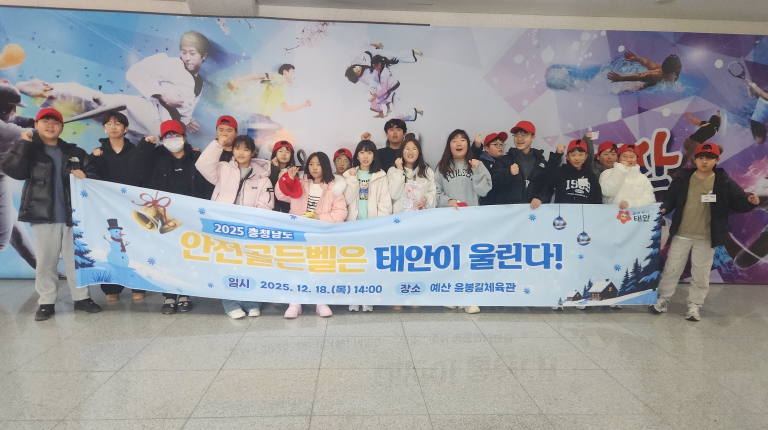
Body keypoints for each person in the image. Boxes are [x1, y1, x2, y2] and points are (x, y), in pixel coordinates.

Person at [1, 108, 102, 321]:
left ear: (62, 127)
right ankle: (46, 302)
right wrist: (23, 144)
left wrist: (86, 175)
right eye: (45, 121)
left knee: (76, 261)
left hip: (73, 216)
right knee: (46, 262)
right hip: (43, 216)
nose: (50, 125)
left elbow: (94, 175)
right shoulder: (30, 150)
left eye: (55, 122)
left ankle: (82, 298)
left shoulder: (75, 152)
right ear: (36, 125)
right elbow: (13, 170)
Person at [651, 143, 758, 321]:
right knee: (671, 269)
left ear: (717, 160)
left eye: (709, 158)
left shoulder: (724, 182)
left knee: (701, 273)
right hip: (682, 234)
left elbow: (738, 202)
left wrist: (750, 202)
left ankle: (694, 305)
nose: (704, 161)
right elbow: (670, 199)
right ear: (695, 159)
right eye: (701, 157)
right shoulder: (683, 178)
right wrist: (665, 208)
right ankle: (663, 299)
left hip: (707, 237)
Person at [196, 134, 274, 319]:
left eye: (246, 149)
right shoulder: (223, 168)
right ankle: (231, 304)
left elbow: (266, 205)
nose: (241, 152)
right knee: (227, 266)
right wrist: (218, 144)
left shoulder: (262, 178)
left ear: (253, 152)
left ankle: (252, 302)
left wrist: (250, 223)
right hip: (224, 227)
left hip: (248, 230)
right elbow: (202, 165)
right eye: (237, 148)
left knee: (251, 265)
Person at [139, 120, 213, 314]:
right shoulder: (155, 157)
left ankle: (185, 294)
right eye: (168, 136)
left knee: (188, 255)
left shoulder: (197, 158)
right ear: (162, 139)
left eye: (176, 135)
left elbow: (208, 185)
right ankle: (169, 296)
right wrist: (145, 146)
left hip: (191, 217)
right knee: (167, 256)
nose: (172, 139)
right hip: (164, 217)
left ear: (184, 137)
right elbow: (136, 169)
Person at [276, 152, 347, 318]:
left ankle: (321, 301)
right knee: (296, 267)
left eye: (318, 164)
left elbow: (341, 212)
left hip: (321, 235)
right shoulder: (301, 183)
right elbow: (280, 195)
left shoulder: (334, 187)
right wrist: (288, 178)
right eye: (311, 164)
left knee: (320, 268)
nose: (314, 168)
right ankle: (295, 302)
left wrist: (319, 218)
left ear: (325, 166)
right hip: (299, 233)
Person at [88, 111, 150, 301]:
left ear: (126, 128)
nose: (113, 127)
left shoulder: (137, 151)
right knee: (110, 246)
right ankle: (111, 287)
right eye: (108, 124)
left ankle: (138, 285)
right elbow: (90, 179)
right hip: (106, 210)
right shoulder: (97, 154)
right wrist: (92, 158)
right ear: (104, 128)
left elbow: (145, 177)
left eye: (117, 124)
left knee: (135, 245)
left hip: (133, 209)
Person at [435, 129, 492, 314]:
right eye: (454, 140)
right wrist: (448, 201)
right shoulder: (442, 167)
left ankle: (471, 298)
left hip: (472, 221)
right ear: (449, 145)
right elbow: (435, 193)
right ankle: (452, 295)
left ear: (468, 144)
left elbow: (484, 191)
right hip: (449, 221)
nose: (458, 143)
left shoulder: (477, 164)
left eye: (462, 140)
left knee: (470, 259)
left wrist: (477, 169)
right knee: (452, 259)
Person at [343, 140, 392, 312]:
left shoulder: (380, 176)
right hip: (352, 227)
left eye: (369, 152)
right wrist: (352, 180)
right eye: (362, 152)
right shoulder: (348, 175)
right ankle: (353, 297)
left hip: (372, 228)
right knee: (353, 264)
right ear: (357, 155)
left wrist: (378, 226)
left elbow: (385, 204)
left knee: (370, 264)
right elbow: (344, 201)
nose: (365, 156)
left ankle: (368, 298)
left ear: (374, 155)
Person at [227, 64, 311, 154]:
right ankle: (263, 142)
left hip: (263, 121)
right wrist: (238, 81)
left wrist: (303, 105)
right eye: (292, 72)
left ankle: (264, 141)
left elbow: (287, 108)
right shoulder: (280, 78)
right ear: (285, 72)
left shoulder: (280, 89)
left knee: (253, 151)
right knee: (251, 150)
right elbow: (260, 75)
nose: (294, 75)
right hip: (259, 119)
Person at [0, 81, 36, 270]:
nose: (15, 111)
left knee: (17, 233)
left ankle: (44, 269)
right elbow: (36, 135)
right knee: (1, 240)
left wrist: (33, 120)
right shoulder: (7, 131)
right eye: (13, 108)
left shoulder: (5, 124)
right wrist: (49, 125)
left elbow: (16, 120)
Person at [505, 121, 560, 208]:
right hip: (509, 212)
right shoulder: (504, 160)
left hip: (534, 212)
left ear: (533, 137)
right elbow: (494, 185)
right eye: (516, 135)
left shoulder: (542, 163)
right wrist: (508, 172)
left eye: (524, 135)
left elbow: (548, 186)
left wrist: (540, 198)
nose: (519, 138)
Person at [388, 134, 436, 213]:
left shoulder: (427, 172)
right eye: (407, 149)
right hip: (399, 217)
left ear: (419, 152)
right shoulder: (393, 171)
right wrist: (399, 170)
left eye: (414, 149)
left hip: (420, 216)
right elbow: (394, 195)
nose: (410, 152)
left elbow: (433, 194)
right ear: (402, 152)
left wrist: (426, 199)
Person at [471, 131, 520, 206]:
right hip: (486, 204)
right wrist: (476, 146)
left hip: (506, 204)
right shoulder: (481, 161)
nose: (500, 147)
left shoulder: (509, 161)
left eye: (501, 144)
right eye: (496, 144)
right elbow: (472, 156)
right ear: (486, 148)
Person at [545, 139, 601, 204]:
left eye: (580, 155)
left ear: (586, 156)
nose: (577, 158)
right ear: (567, 157)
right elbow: (548, 175)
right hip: (563, 210)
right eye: (573, 155)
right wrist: (557, 155)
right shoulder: (560, 172)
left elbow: (597, 199)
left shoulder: (591, 176)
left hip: (585, 210)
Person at [600, 144, 656, 208]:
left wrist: (631, 203)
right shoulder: (607, 173)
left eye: (632, 157)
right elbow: (607, 192)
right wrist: (620, 169)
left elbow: (650, 199)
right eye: (624, 156)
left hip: (634, 213)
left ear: (637, 159)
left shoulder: (643, 178)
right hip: (610, 213)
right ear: (618, 158)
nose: (628, 160)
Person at [607, 51, 682, 89]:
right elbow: (640, 76)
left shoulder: (674, 75)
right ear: (672, 72)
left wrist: (637, 58)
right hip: (640, 87)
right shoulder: (656, 75)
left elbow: (647, 63)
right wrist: (621, 78)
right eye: (676, 72)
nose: (676, 75)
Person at [269, 140, 298, 213]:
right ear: (275, 154)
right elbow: (270, 186)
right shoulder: (267, 169)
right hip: (270, 207)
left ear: (291, 156)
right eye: (280, 151)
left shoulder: (293, 172)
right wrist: (275, 169)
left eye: (287, 152)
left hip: (286, 210)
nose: (284, 154)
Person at [745, 79, 767, 144]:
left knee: (756, 133)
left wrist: (750, 84)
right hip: (758, 122)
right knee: (758, 133)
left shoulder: (764, 96)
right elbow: (753, 95)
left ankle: (762, 137)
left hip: (756, 122)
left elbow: (759, 93)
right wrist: (749, 86)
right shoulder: (764, 96)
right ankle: (762, 137)